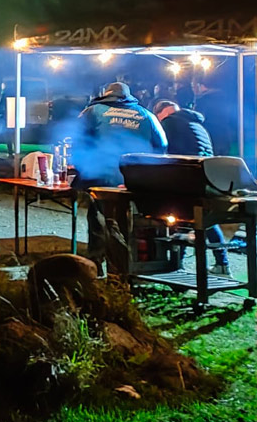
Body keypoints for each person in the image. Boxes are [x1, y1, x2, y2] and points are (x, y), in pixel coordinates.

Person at [75, 81, 168, 265]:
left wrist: (82, 165)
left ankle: (97, 262)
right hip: (135, 177)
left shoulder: (93, 111)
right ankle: (127, 262)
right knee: (127, 218)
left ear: (106, 93)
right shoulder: (146, 114)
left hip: (102, 174)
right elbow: (162, 145)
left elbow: (76, 139)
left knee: (99, 217)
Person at [154, 100, 231, 276]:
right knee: (207, 219)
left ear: (161, 114)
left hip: (188, 179)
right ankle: (222, 264)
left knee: (178, 217)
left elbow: (161, 150)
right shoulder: (195, 123)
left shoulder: (169, 123)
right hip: (209, 179)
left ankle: (176, 264)